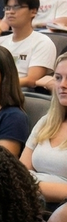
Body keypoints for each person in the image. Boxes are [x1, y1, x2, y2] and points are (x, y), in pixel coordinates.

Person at [22, 51, 67, 203]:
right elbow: (22, 169)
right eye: (58, 78)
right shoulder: (46, 121)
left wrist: (29, 187)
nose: (62, 85)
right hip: (28, 199)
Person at [0, 0, 57, 89]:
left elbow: (31, 80)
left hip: (22, 95)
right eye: (7, 8)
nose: (10, 12)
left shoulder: (43, 42)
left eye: (16, 7)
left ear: (33, 11)